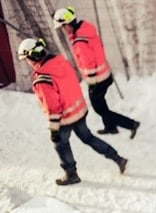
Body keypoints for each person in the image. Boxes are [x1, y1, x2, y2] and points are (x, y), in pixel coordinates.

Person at [17, 38, 128, 185]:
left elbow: (52, 106)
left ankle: (71, 174)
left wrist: (54, 129)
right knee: (88, 138)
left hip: (65, 118)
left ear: (32, 57)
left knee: (60, 144)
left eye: (26, 59)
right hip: (79, 110)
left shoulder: (42, 78)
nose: (27, 62)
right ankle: (117, 158)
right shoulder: (59, 61)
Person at [53, 6, 140, 138]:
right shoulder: (86, 30)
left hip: (97, 79)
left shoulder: (79, 41)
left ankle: (131, 124)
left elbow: (88, 62)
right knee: (101, 103)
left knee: (98, 108)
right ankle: (111, 127)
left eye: (63, 27)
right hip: (105, 75)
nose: (63, 30)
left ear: (68, 24)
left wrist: (92, 82)